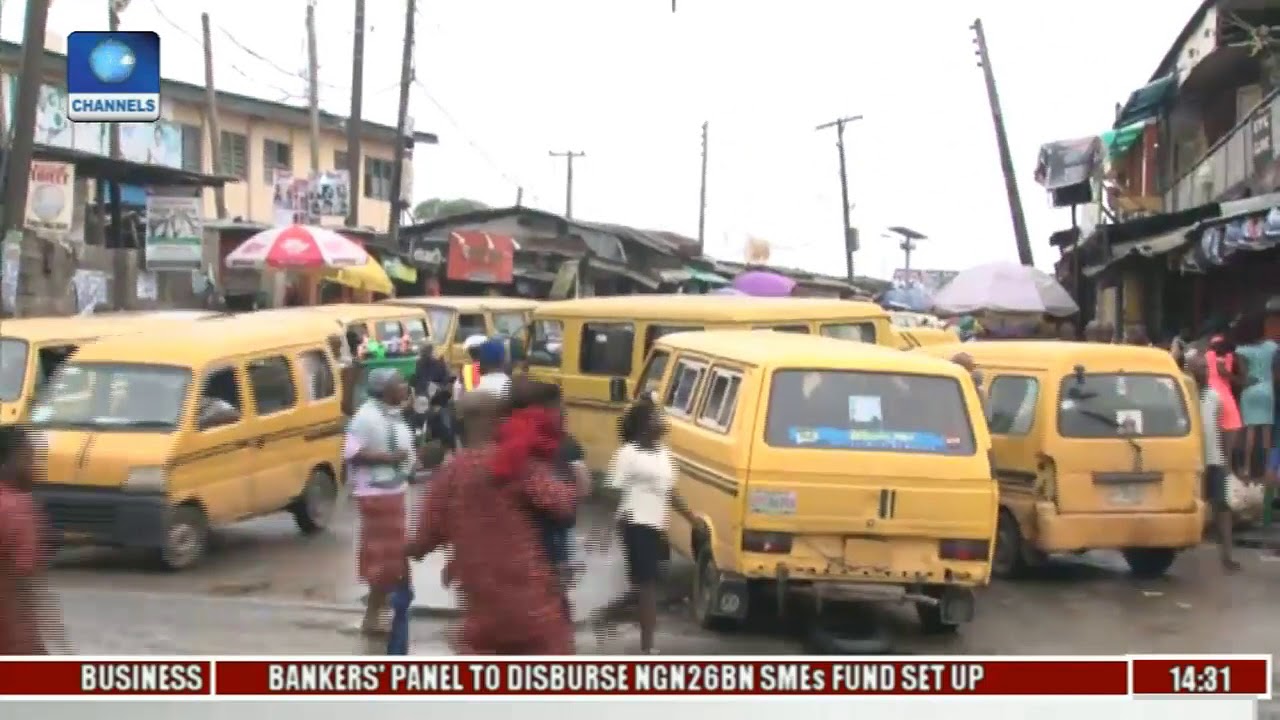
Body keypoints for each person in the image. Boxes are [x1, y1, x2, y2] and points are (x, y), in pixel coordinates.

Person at [409, 392, 588, 654]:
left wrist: (393, 550)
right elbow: (561, 503)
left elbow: (421, 542)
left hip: (482, 613)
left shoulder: (446, 478)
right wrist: (577, 484)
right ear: (499, 421)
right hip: (534, 608)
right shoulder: (516, 463)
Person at [592, 396, 695, 655]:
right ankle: (647, 648)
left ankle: (608, 616)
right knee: (647, 586)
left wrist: (691, 518)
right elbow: (612, 491)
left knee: (647, 584)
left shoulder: (663, 454)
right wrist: (604, 529)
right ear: (643, 425)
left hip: (656, 526)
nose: (662, 421)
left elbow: (670, 491)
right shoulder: (628, 454)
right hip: (635, 523)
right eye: (656, 417)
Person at [345, 368, 417, 650]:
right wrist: (389, 457)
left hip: (392, 490)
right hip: (376, 494)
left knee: (390, 556)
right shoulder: (366, 416)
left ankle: (380, 611)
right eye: (398, 382)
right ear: (384, 389)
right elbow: (351, 453)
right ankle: (377, 615)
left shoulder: (390, 413)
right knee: (387, 558)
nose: (404, 385)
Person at [0, 426, 70, 654]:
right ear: (7, 464)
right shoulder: (18, 508)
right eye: (29, 459)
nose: (36, 469)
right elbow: (27, 582)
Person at [1187, 354, 1240, 572]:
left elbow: (1220, 429)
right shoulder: (1185, 396)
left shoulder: (1215, 397)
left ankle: (1226, 555)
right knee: (1192, 508)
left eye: (1205, 368)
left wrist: (1226, 458)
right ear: (1189, 370)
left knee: (1222, 507)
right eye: (1198, 368)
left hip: (1214, 459)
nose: (1204, 372)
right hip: (1191, 462)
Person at [1233, 313, 1278, 479]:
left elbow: (1245, 376)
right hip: (1267, 390)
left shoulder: (1242, 350)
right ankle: (1267, 468)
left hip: (1251, 390)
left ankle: (1246, 467)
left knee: (1250, 432)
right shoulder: (1271, 346)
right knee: (1266, 433)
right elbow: (1274, 369)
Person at [1204, 334, 1245, 475]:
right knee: (1231, 433)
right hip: (1224, 397)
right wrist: (1238, 380)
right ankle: (1227, 468)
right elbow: (1222, 371)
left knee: (1213, 436)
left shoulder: (1206, 355)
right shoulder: (1228, 356)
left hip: (1209, 396)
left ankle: (1217, 469)